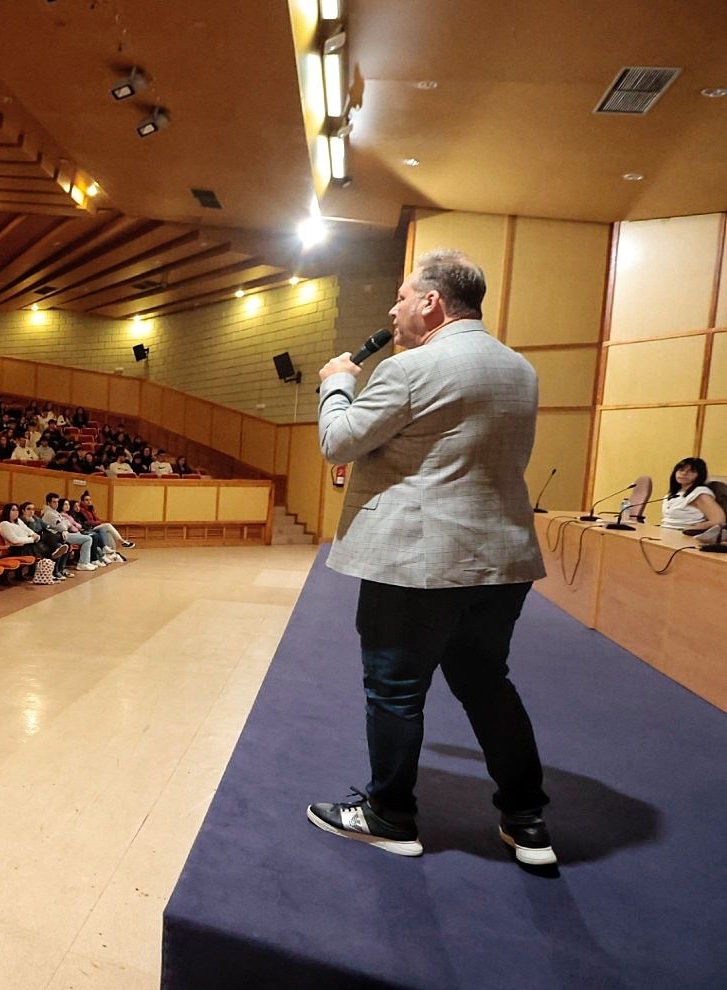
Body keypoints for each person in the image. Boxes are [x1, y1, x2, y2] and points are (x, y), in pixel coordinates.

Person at [305, 249, 554, 866]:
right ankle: (526, 821)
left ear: (431, 302)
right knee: (486, 684)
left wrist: (337, 383)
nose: (393, 308)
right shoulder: (519, 370)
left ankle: (389, 814)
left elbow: (338, 440)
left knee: (394, 690)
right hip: (501, 562)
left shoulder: (408, 369)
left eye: (401, 295)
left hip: (418, 562)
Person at [655, 457, 725, 540]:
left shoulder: (700, 493)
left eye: (691, 471)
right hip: (665, 535)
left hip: (684, 538)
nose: (684, 473)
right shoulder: (676, 492)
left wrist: (692, 529)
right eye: (681, 470)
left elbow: (719, 521)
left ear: (700, 475)